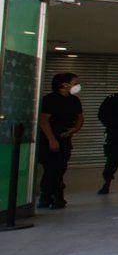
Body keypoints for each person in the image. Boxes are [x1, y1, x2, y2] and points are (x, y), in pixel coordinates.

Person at [36, 73, 83, 209]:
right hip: (50, 139)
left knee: (60, 168)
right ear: (64, 84)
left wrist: (74, 130)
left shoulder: (74, 100)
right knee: (51, 168)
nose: (77, 86)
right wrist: (51, 139)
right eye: (75, 83)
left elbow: (80, 117)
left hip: (65, 138)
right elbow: (44, 120)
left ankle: (49, 196)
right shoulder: (50, 99)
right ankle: (53, 196)